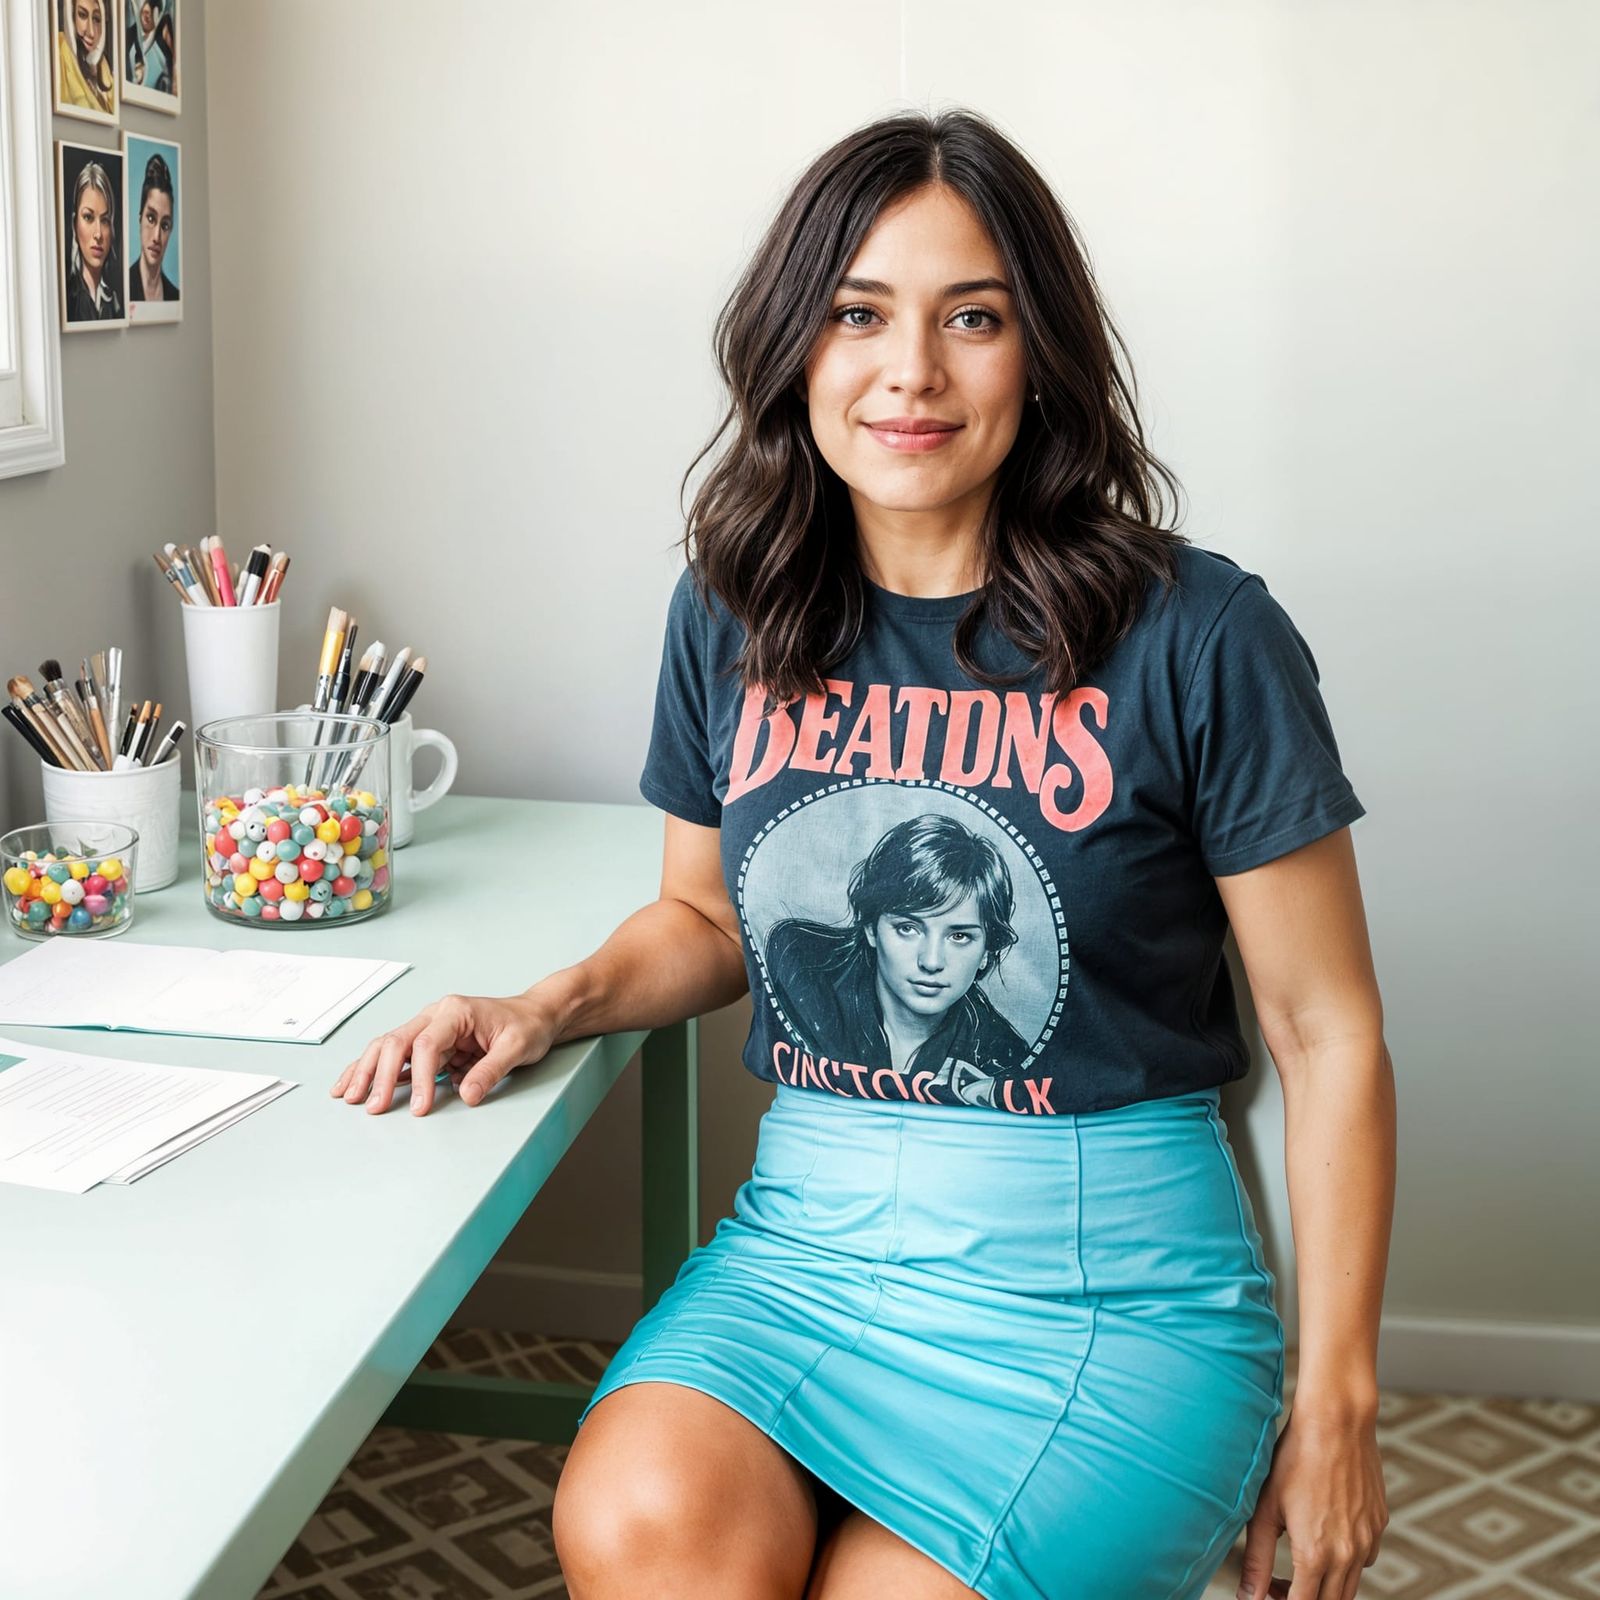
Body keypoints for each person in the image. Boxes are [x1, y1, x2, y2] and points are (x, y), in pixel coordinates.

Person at [334, 107, 1394, 1600]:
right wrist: (546, 1003)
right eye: (857, 315)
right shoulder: (735, 610)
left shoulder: (1201, 635)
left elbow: (1324, 1027)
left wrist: (1341, 1401)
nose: (913, 372)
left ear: (1044, 354)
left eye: (975, 318)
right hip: (809, 1254)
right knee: (635, 1520)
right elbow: (704, 919)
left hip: (1105, 1293)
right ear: (796, 351)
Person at [762, 812, 1032, 1106]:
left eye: (959, 936)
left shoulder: (1000, 1056)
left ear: (987, 951)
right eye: (908, 928)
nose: (931, 961)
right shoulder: (800, 967)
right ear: (871, 928)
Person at [64, 160, 122, 323]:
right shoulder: (69, 298)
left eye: (104, 220)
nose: (98, 234)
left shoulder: (115, 303)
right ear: (75, 224)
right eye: (88, 217)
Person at [128, 152, 179, 303]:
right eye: (151, 218)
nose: (157, 236)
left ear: (170, 230)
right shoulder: (122, 290)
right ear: (140, 218)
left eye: (165, 225)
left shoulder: (175, 296)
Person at [57, 0, 114, 116]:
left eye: (97, 19)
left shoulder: (104, 67)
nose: (91, 32)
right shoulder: (58, 51)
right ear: (71, 14)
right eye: (82, 15)